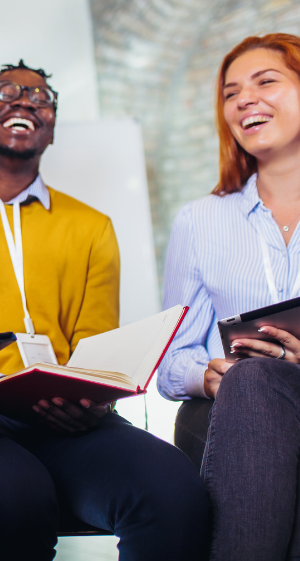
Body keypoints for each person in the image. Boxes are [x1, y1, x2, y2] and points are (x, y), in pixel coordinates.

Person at [0, 60, 211, 561]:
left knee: (172, 487)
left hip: (65, 419)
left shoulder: (92, 227)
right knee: (16, 494)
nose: (26, 100)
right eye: (6, 91)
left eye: (42, 97)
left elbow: (95, 345)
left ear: (50, 129)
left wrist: (87, 398)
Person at [158, 33, 300, 561]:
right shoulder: (201, 220)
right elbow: (172, 359)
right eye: (230, 92)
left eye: (266, 82)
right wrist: (207, 375)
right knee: (253, 379)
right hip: (243, 409)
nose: (244, 100)